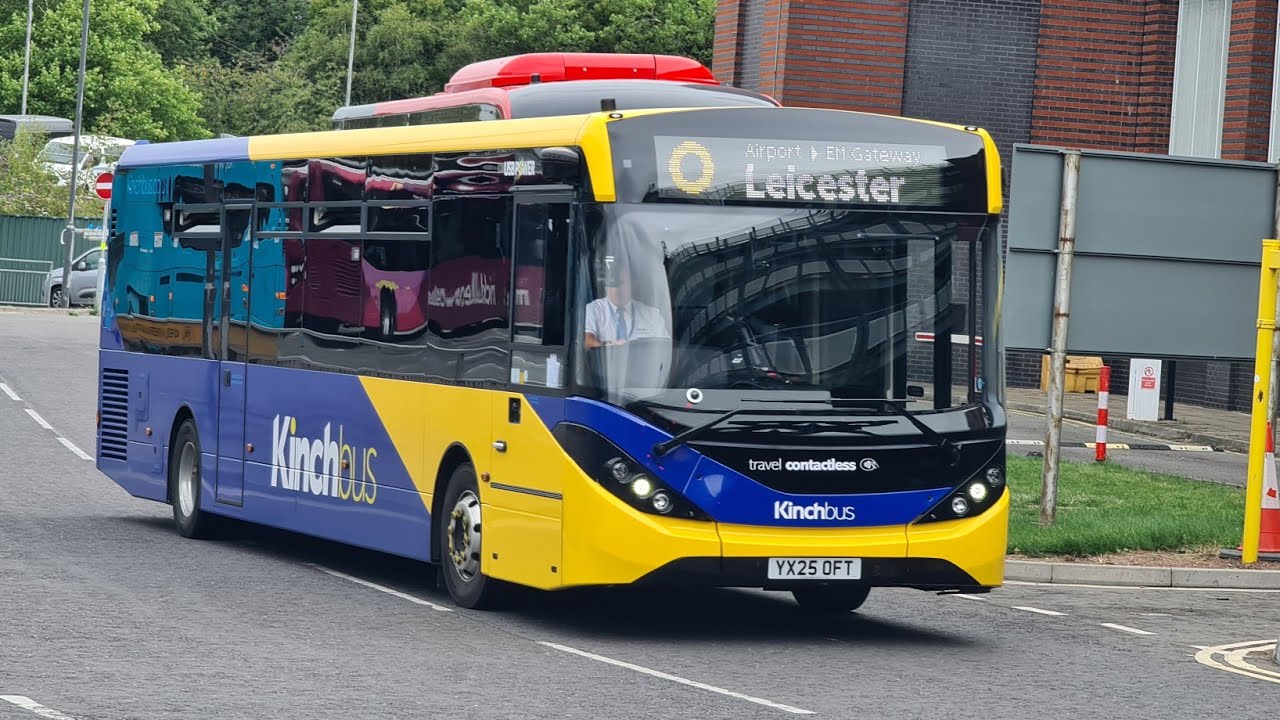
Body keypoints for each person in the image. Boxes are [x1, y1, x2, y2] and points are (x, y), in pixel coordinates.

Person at [583, 256, 668, 349]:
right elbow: (586, 341)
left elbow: (665, 347)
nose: (616, 290)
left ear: (633, 284)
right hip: (607, 363)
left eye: (621, 283)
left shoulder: (652, 315)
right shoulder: (593, 309)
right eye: (612, 283)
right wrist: (609, 346)